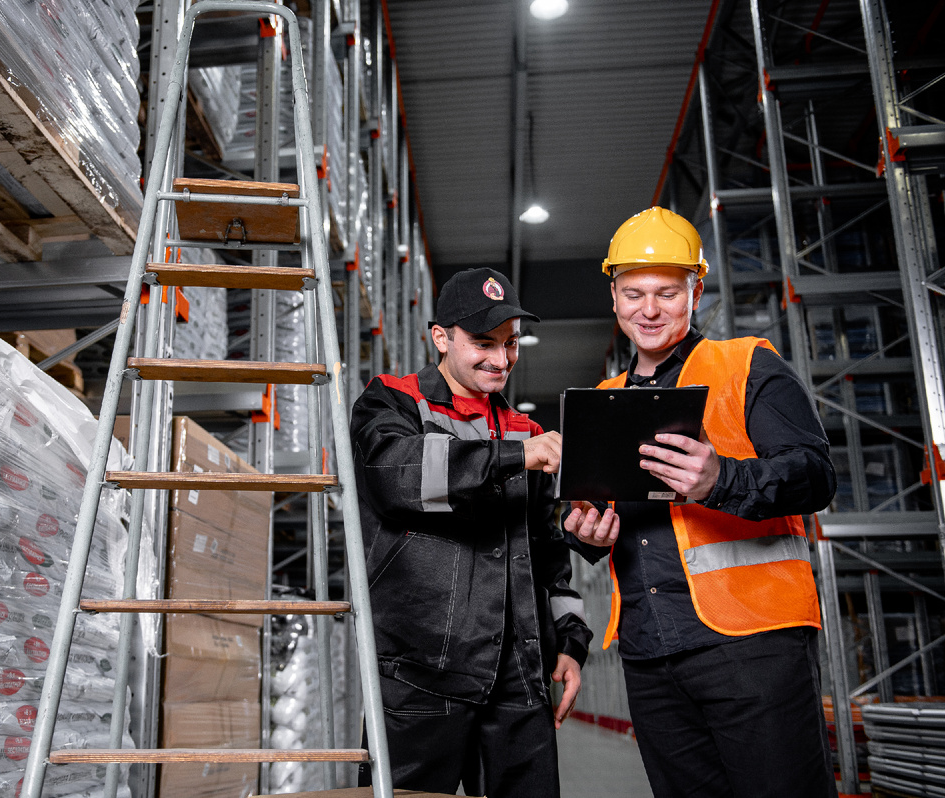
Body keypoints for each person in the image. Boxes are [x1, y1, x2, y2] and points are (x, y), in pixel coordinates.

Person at [563, 207, 837, 798]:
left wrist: (721, 480)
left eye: (667, 293)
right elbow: (589, 512)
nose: (649, 310)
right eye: (634, 294)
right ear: (614, 296)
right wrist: (582, 532)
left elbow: (816, 476)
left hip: (753, 644)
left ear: (695, 290)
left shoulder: (746, 365)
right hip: (649, 653)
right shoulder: (603, 399)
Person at [349, 267, 592, 798]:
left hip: (519, 678)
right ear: (441, 337)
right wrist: (514, 456)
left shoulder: (527, 430)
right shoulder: (392, 401)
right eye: (484, 343)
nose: (502, 360)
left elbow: (548, 553)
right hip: (419, 675)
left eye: (511, 343)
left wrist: (571, 643)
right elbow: (399, 478)